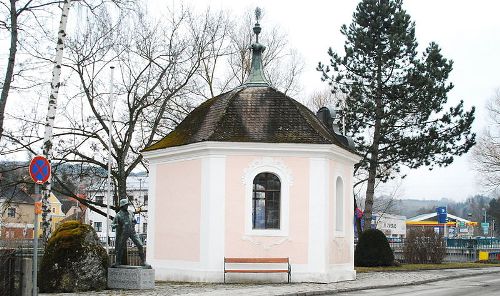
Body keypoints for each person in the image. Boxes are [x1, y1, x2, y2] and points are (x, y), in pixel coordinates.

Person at [112, 198, 149, 267]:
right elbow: (112, 224)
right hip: (123, 233)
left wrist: (134, 221)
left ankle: (143, 262)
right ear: (122, 206)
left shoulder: (130, 212)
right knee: (120, 247)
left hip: (132, 232)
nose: (127, 206)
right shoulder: (118, 215)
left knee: (140, 245)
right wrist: (116, 225)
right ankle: (118, 262)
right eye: (126, 205)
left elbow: (133, 219)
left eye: (127, 205)